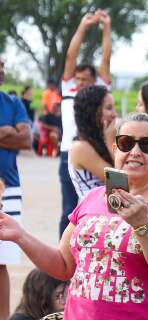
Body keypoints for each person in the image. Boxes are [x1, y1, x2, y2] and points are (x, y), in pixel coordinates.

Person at [0, 113, 148, 319]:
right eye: (126, 142)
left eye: (147, 145)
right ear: (115, 149)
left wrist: (142, 225)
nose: (135, 151)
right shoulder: (92, 197)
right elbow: (63, 265)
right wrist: (20, 235)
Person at [58, 10, 112, 237]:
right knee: (69, 209)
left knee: (99, 203)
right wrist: (83, 26)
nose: (79, 82)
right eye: (77, 78)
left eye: (84, 79)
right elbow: (71, 57)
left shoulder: (98, 94)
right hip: (67, 152)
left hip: (96, 147)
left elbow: (106, 59)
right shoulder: (69, 90)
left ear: (94, 81)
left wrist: (106, 28)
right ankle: (64, 255)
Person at [0, 57, 32, 320]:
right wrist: (5, 131)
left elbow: (26, 139)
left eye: (2, 66)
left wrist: (14, 135)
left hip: (8, 188)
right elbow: (16, 136)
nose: (1, 72)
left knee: (1, 263)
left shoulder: (13, 103)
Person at [68, 85, 117, 198]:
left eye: (114, 108)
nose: (115, 114)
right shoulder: (80, 147)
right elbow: (120, 181)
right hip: (95, 213)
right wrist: (111, 141)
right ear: (92, 111)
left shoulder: (101, 140)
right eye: (109, 108)